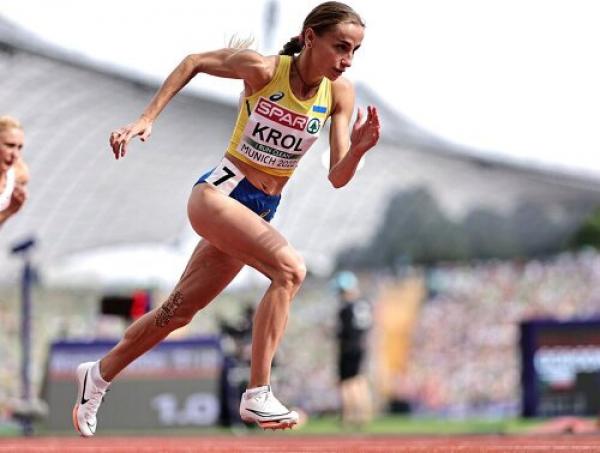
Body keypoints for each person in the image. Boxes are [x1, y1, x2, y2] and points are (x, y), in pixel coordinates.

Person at [73, 1, 380, 436]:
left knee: (178, 312)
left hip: (256, 211)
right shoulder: (263, 70)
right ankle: (258, 392)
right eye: (340, 47)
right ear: (311, 37)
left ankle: (98, 375)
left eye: (354, 51)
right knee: (290, 270)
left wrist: (359, 150)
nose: (347, 60)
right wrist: (145, 118)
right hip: (218, 195)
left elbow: (337, 177)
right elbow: (194, 61)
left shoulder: (340, 94)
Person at [334, 271, 373, 427]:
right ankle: (363, 414)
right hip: (361, 346)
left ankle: (349, 415)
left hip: (348, 348)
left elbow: (342, 332)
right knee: (360, 380)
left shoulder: (346, 308)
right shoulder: (364, 305)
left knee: (347, 383)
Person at [0, 116, 28, 229]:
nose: (15, 155)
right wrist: (8, 211)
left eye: (19, 147)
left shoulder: (19, 173)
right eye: (10, 146)